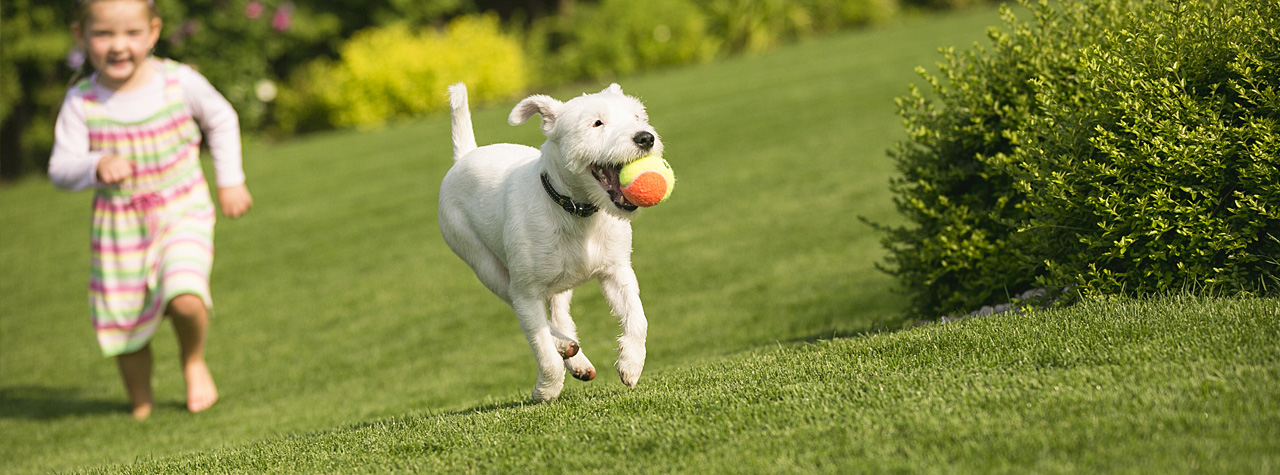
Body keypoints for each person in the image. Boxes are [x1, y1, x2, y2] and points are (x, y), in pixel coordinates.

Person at [48, 0, 252, 419]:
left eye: (132, 33)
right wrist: (96, 164)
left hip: (182, 209)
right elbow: (59, 169)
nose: (118, 46)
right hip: (120, 229)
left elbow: (221, 118)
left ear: (154, 32)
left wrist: (230, 178)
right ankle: (140, 400)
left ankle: (193, 360)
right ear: (81, 36)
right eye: (104, 34)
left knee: (185, 295)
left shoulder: (179, 82)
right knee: (126, 325)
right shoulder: (81, 101)